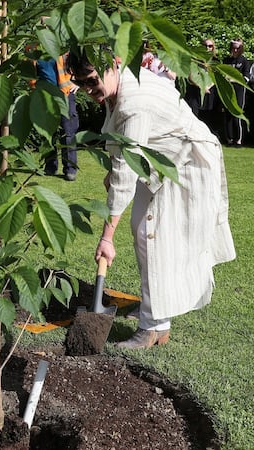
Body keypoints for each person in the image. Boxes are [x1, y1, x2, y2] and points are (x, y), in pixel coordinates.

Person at [65, 52, 236, 349]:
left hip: (186, 162)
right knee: (142, 230)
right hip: (159, 162)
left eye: (92, 80)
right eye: (81, 83)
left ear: (112, 65)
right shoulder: (121, 85)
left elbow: (125, 177)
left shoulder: (135, 105)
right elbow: (124, 149)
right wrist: (113, 170)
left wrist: (107, 237)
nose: (89, 89)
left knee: (152, 235)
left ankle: (154, 327)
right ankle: (153, 308)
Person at [35, 53, 80, 181]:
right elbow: (31, 72)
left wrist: (78, 82)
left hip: (64, 94)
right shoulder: (33, 47)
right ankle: (50, 167)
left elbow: (78, 62)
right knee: (47, 132)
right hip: (44, 95)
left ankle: (70, 170)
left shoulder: (62, 46)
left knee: (67, 132)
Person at [184, 39, 220, 139]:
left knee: (208, 115)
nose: (207, 48)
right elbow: (191, 76)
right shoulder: (195, 59)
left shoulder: (215, 61)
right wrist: (202, 87)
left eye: (210, 46)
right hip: (196, 90)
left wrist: (208, 86)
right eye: (205, 46)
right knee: (194, 114)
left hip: (210, 90)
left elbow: (216, 76)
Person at [223, 39, 251, 147]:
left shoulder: (244, 61)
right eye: (233, 47)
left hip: (239, 90)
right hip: (227, 90)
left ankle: (238, 140)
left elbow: (247, 77)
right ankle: (229, 140)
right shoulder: (226, 60)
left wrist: (234, 79)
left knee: (237, 114)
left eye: (237, 48)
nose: (235, 50)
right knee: (227, 114)